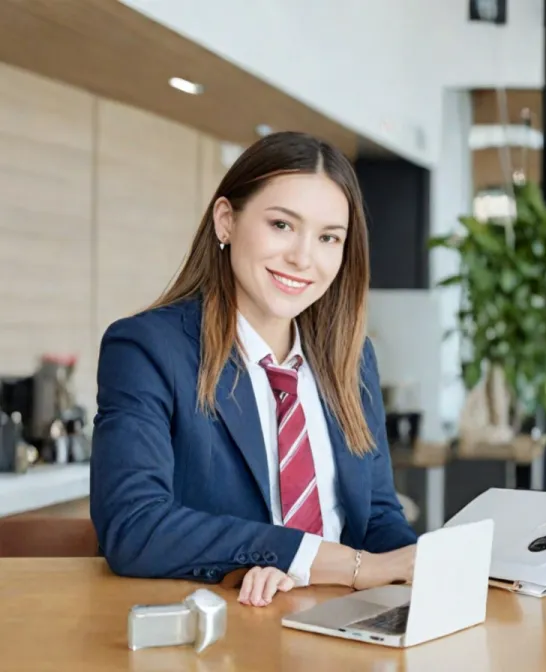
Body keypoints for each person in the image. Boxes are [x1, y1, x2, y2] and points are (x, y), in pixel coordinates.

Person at [90, 131, 418, 608]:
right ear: (227, 221)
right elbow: (134, 525)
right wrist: (328, 562)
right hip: (226, 631)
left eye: (328, 237)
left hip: (347, 626)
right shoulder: (148, 348)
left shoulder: (352, 356)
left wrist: (431, 564)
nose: (303, 257)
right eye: (282, 225)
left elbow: (378, 518)